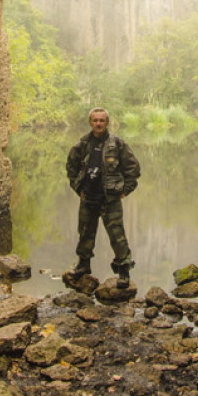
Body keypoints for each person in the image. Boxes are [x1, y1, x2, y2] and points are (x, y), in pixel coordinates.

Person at [65, 107, 140, 286]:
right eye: (95, 120)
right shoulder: (81, 144)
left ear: (107, 122)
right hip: (88, 198)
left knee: (117, 236)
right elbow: (71, 167)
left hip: (111, 198)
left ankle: (123, 272)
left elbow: (133, 169)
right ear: (90, 122)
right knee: (85, 234)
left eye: (102, 120)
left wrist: (125, 190)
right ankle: (83, 265)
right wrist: (78, 188)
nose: (98, 124)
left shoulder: (117, 143)